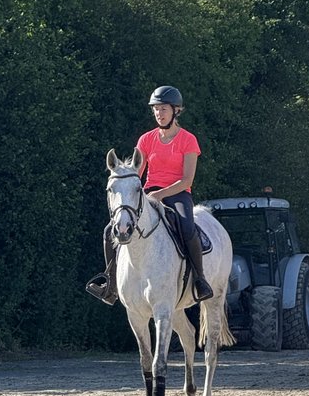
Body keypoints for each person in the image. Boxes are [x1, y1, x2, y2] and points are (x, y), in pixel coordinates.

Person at [87, 86, 214, 304]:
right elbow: (137, 174)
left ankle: (200, 280)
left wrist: (161, 194)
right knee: (110, 229)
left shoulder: (188, 140)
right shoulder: (146, 140)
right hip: (148, 193)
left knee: (187, 226)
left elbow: (187, 180)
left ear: (176, 111)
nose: (159, 113)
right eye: (156, 109)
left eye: (163, 109)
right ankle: (111, 283)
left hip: (177, 194)